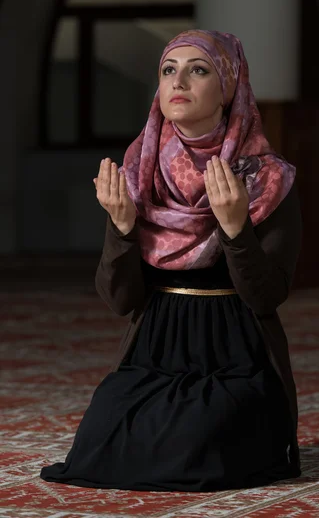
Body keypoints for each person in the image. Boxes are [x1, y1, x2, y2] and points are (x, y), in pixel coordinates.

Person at [40, 29, 303, 492]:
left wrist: (236, 229)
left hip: (237, 353)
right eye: (168, 70)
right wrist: (121, 229)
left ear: (228, 88)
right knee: (103, 430)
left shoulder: (268, 179)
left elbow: (267, 296)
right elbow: (121, 301)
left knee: (200, 433)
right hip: (156, 348)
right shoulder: (139, 171)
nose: (178, 80)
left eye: (197, 69)